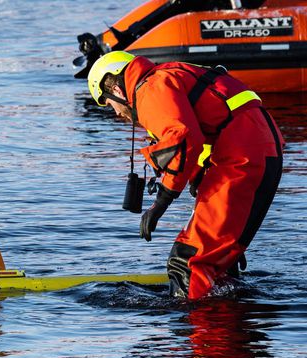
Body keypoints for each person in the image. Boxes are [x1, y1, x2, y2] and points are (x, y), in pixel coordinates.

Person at [86, 51, 284, 299]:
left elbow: (183, 140)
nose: (115, 113)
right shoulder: (169, 75)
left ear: (116, 89)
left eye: (109, 104)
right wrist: (229, 233)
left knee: (187, 260)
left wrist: (161, 202)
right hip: (261, 151)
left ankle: (200, 330)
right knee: (214, 257)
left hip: (243, 159)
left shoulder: (150, 89)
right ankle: (228, 312)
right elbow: (204, 133)